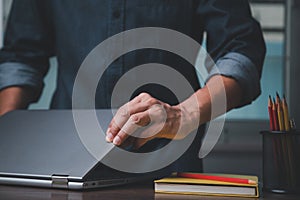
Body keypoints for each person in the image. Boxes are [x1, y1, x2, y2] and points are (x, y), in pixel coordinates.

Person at [0, 0, 265, 173]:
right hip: (63, 161)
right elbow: (21, 57)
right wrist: (6, 137)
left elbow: (240, 51)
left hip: (167, 165)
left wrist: (185, 114)